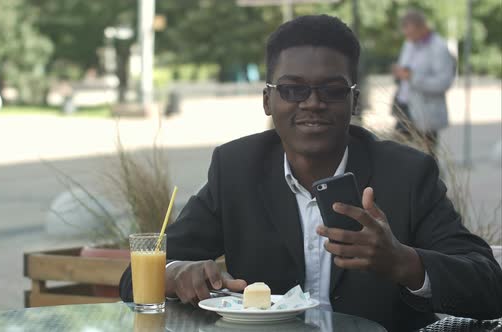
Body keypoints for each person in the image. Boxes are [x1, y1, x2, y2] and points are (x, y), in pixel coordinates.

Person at [119, 15, 502, 332]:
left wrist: (403, 262)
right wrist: (174, 274)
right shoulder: (235, 167)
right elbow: (133, 281)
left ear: (354, 101)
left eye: (332, 91)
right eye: (293, 89)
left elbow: (490, 285)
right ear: (268, 100)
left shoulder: (406, 173)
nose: (314, 103)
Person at [391, 9, 456, 157]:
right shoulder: (409, 43)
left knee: (427, 157)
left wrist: (413, 78)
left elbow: (444, 82)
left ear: (421, 27)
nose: (409, 37)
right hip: (404, 107)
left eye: (411, 33)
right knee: (396, 153)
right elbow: (405, 68)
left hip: (425, 111)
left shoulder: (438, 47)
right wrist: (400, 73)